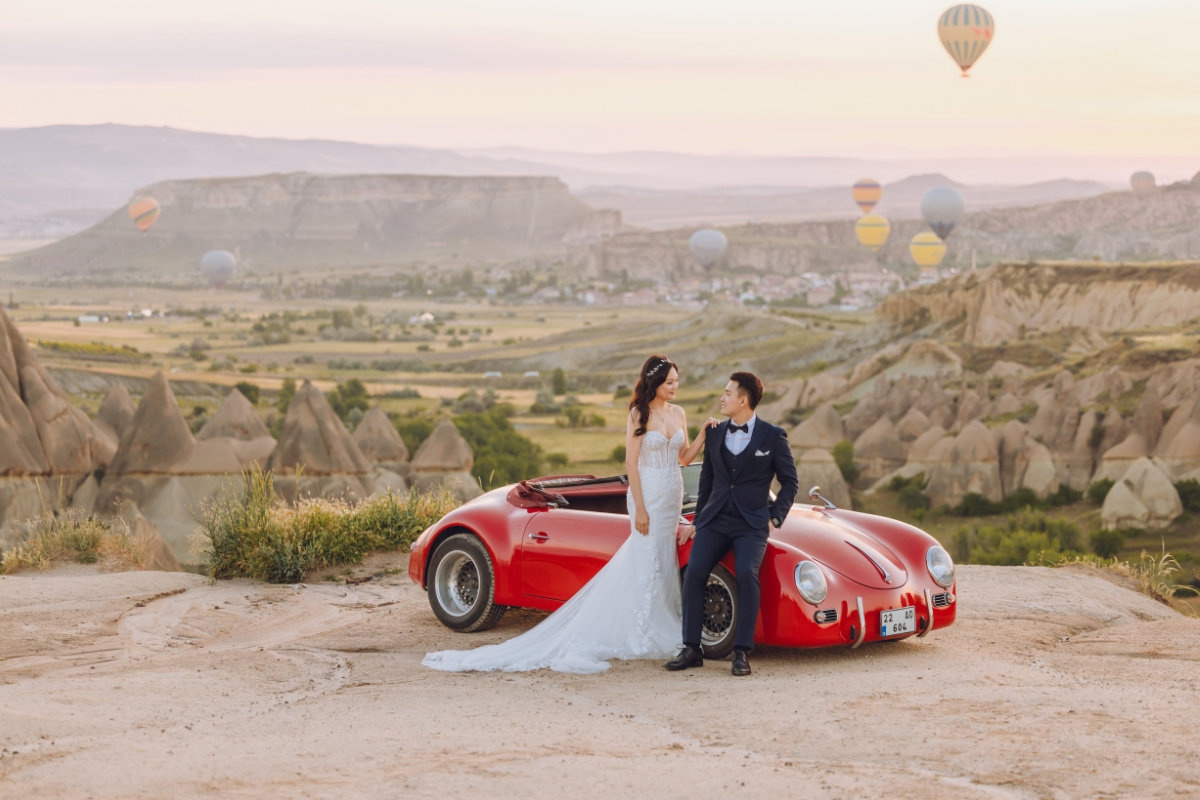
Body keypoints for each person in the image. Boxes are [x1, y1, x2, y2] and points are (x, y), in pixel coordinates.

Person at [422, 355, 714, 674]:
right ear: (654, 383)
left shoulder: (679, 413)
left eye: (676, 382)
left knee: (665, 560)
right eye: (669, 382)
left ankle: (659, 618)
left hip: (672, 495)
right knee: (647, 559)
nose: (675, 387)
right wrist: (640, 508)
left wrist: (701, 435)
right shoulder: (638, 413)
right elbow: (632, 464)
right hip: (647, 497)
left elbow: (683, 458)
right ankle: (640, 628)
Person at [665, 371, 798, 677]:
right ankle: (691, 649)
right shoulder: (714, 433)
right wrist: (698, 521)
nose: (722, 398)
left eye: (727, 393)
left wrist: (775, 515)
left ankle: (741, 652)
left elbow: (790, 482)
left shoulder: (773, 436)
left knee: (747, 574)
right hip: (715, 520)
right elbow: (708, 481)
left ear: (743, 400)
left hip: (751, 523)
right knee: (695, 571)